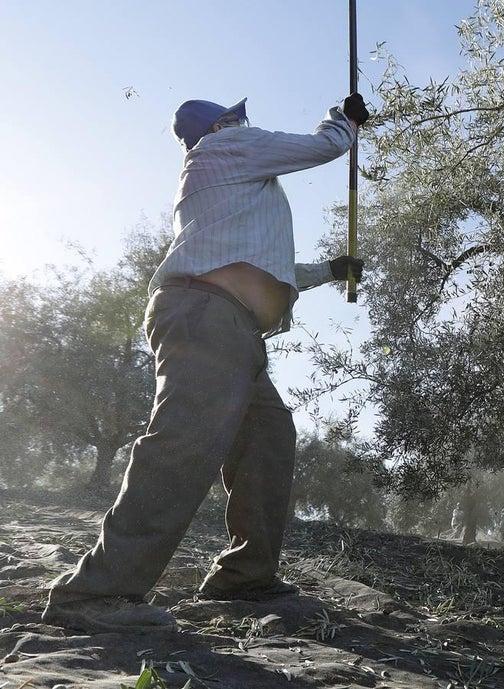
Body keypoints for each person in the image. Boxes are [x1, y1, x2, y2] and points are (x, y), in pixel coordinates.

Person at [41, 92, 371, 634]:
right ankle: (94, 594)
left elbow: (260, 264)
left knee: (267, 439)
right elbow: (322, 147)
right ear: (221, 124)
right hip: (207, 317)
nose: (246, 122)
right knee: (183, 441)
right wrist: (345, 122)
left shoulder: (230, 183)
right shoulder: (226, 147)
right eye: (238, 116)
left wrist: (331, 270)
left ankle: (244, 578)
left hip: (231, 327)